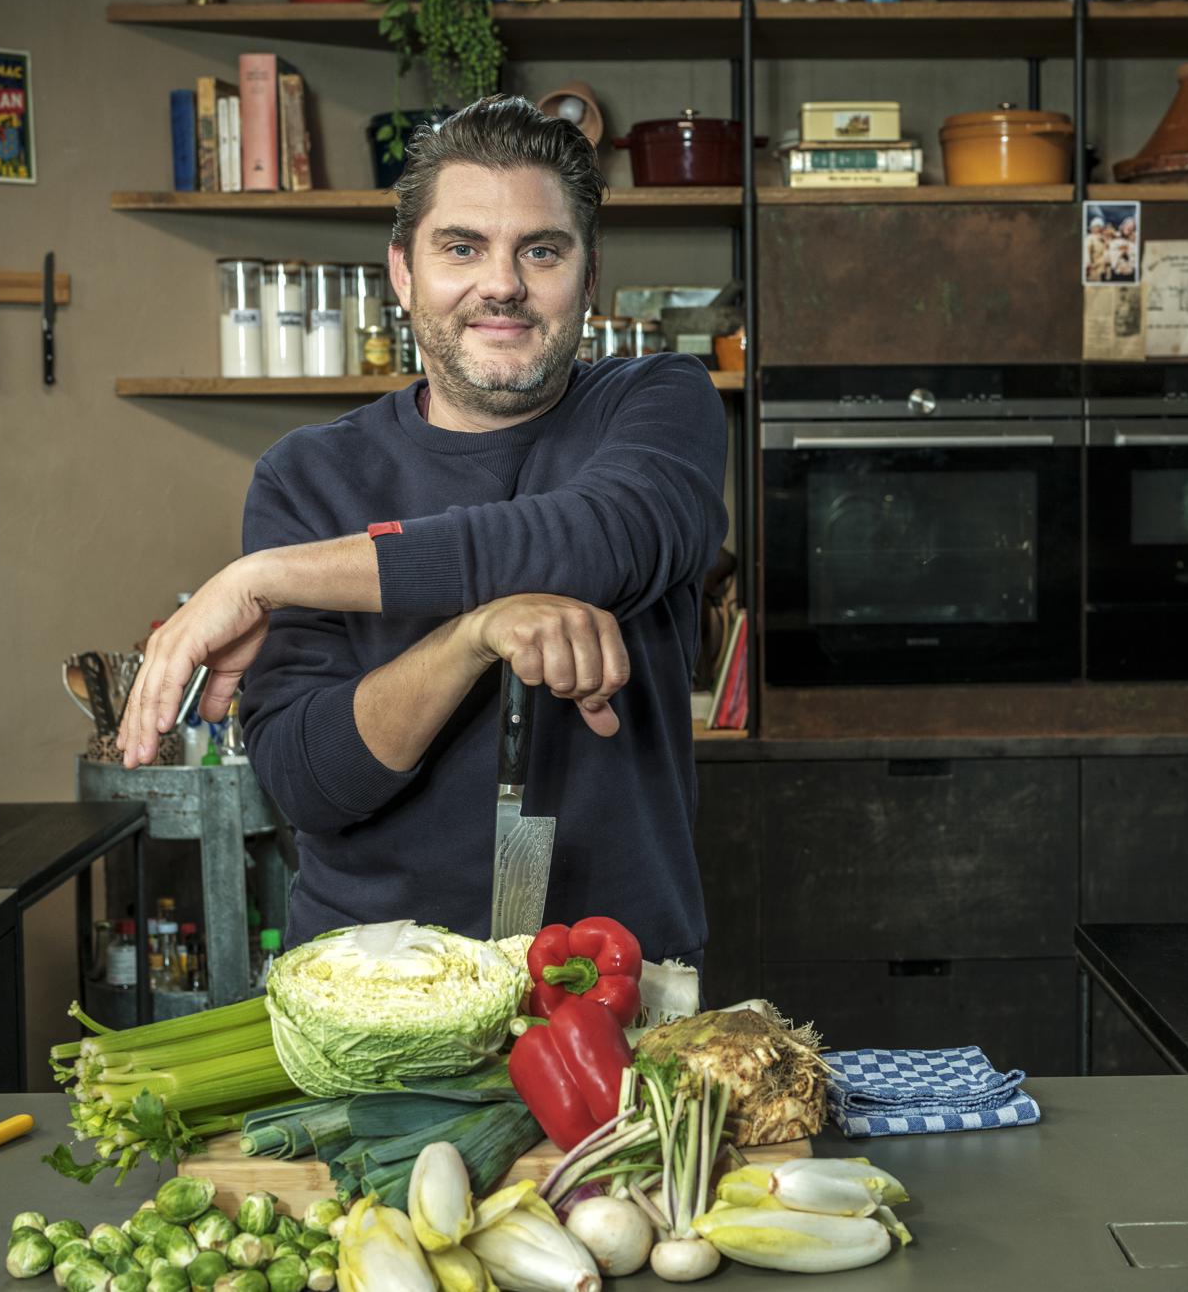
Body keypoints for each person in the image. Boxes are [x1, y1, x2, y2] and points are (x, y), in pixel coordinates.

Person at [116, 95, 729, 967]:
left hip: (617, 975)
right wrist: (476, 635)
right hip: (370, 982)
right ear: (402, 273)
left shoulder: (656, 402)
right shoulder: (310, 475)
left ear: (589, 278)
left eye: (542, 251)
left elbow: (605, 536)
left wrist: (266, 577)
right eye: (462, 247)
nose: (503, 284)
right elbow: (313, 783)